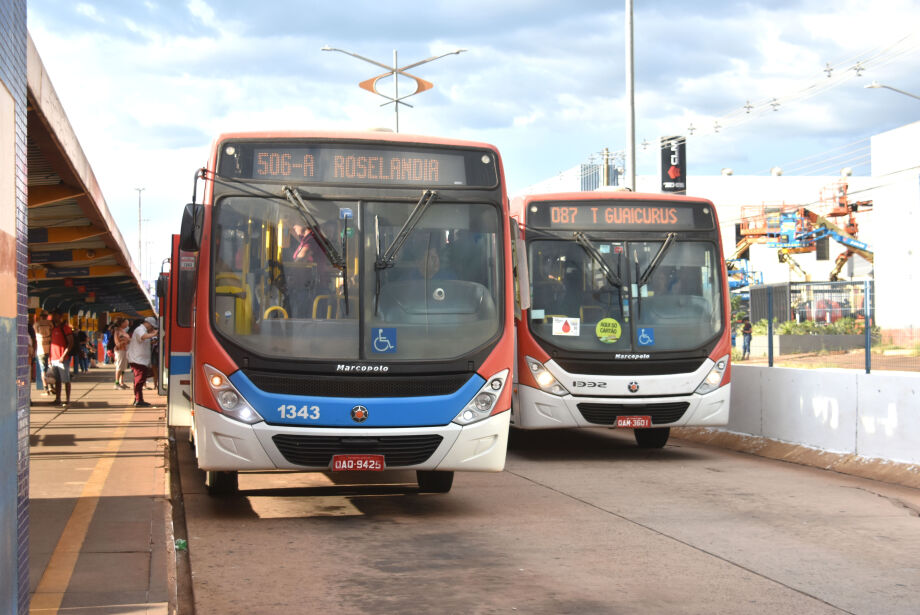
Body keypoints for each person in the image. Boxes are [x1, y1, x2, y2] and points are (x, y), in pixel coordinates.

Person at [126, 316, 158, 407]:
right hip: (138, 360)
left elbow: (144, 341)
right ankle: (138, 400)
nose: (151, 328)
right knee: (139, 380)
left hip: (140, 360)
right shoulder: (140, 329)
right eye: (151, 326)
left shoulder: (142, 330)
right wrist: (155, 334)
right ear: (148, 324)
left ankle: (138, 399)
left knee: (140, 380)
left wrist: (152, 341)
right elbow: (143, 337)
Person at [48, 310, 75, 406]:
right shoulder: (53, 329)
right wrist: (49, 357)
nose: (53, 317)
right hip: (54, 358)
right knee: (57, 380)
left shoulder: (65, 328)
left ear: (60, 316)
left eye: (55, 315)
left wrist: (63, 355)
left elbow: (70, 342)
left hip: (63, 358)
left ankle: (67, 399)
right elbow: (51, 344)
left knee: (66, 379)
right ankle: (58, 399)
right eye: (53, 315)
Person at [34, 310, 53, 395]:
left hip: (40, 350)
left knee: (43, 370)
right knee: (50, 368)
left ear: (40, 316)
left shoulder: (37, 324)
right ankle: (51, 387)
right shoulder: (50, 324)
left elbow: (35, 336)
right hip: (50, 349)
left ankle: (46, 389)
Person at [113, 318, 131, 389]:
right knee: (119, 366)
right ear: (122, 323)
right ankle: (116, 383)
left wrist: (127, 340)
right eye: (126, 323)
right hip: (120, 350)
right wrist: (125, 341)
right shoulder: (117, 331)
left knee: (123, 367)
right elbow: (117, 343)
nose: (127, 324)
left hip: (124, 350)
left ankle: (121, 382)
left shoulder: (122, 331)